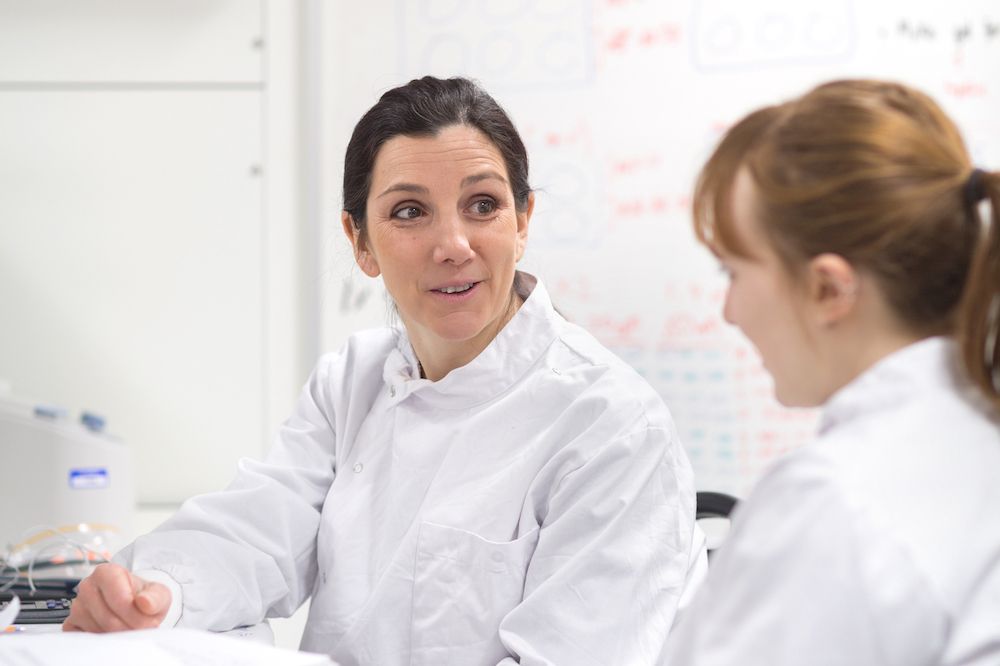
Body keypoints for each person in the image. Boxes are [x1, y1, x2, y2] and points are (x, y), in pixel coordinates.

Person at [64, 76, 707, 665]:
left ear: (523, 223)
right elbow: (257, 534)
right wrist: (152, 593)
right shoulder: (352, 381)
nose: (453, 245)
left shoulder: (611, 426)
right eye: (409, 211)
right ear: (360, 243)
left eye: (483, 205)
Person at [662, 79, 1000, 665]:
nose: (729, 311)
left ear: (827, 289)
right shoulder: (975, 431)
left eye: (733, 274)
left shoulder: (834, 502)